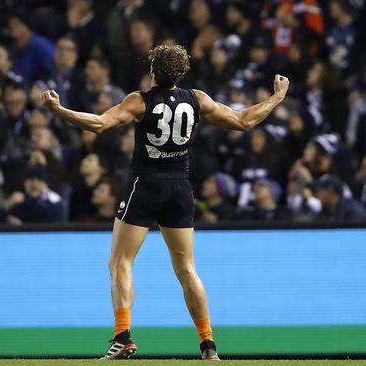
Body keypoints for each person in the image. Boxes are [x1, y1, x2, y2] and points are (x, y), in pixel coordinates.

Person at [42, 44, 289, 360]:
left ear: (152, 72)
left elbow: (100, 124)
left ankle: (123, 337)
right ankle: (208, 345)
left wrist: (58, 111)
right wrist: (277, 97)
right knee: (187, 269)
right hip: (180, 188)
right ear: (181, 73)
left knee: (120, 262)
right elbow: (243, 121)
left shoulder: (139, 101)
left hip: (145, 185)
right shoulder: (196, 99)